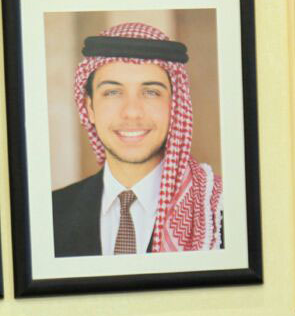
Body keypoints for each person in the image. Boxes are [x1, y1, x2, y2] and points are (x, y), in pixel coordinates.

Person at [52, 22, 222, 257]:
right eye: (113, 92)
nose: (132, 112)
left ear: (175, 106)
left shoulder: (218, 212)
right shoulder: (50, 213)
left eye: (151, 92)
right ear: (89, 107)